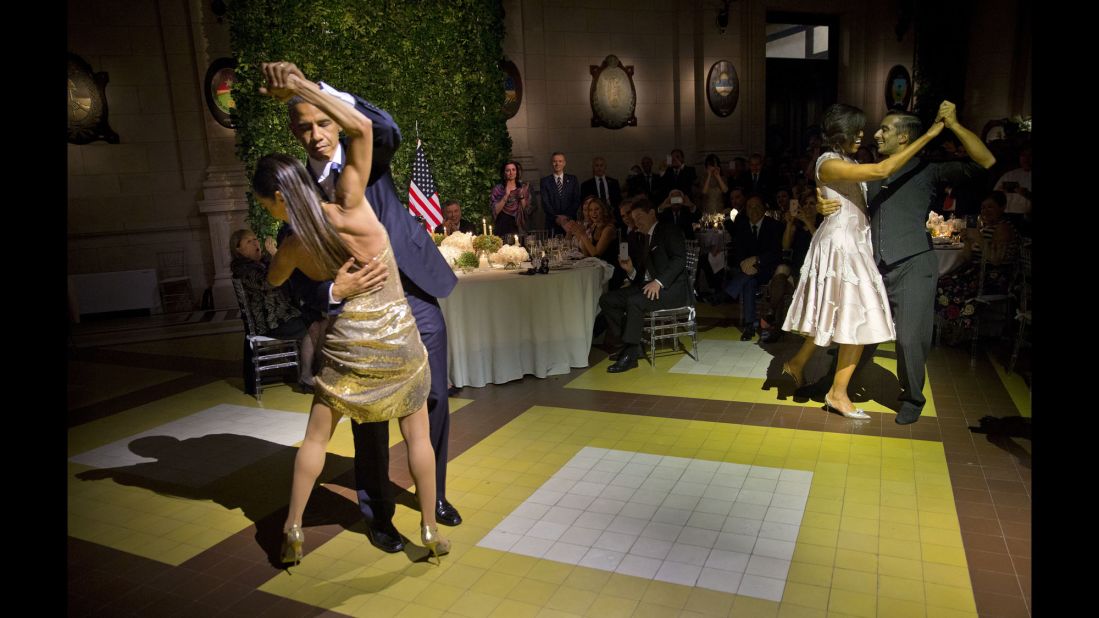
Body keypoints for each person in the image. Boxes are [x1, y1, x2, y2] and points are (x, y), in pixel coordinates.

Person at [257, 62, 451, 564]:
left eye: (323, 121)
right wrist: (332, 290)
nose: (317, 134)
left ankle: (435, 499)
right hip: (357, 316)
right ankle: (380, 515)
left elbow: (381, 126)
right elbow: (297, 285)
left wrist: (308, 87)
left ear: (332, 117)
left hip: (414, 295)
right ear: (294, 133)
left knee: (432, 401)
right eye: (304, 126)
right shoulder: (302, 193)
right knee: (370, 424)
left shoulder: (363, 161)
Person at [804, 101, 995, 424]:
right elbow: (839, 193)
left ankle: (912, 398)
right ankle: (838, 387)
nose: (876, 135)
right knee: (858, 330)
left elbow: (986, 160)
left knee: (909, 338)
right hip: (873, 265)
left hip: (913, 264)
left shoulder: (929, 169)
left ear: (904, 138)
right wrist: (822, 205)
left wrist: (955, 125)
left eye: (885, 130)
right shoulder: (871, 172)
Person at [781, 103, 945, 419]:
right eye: (856, 129)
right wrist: (931, 134)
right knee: (856, 319)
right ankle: (836, 393)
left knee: (837, 314)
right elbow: (881, 171)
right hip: (843, 246)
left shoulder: (844, 161)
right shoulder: (828, 162)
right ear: (840, 131)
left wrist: (820, 199)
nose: (862, 135)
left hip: (852, 242)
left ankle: (800, 366)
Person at [229, 228, 327, 389]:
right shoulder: (244, 270)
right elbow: (270, 281)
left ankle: (313, 371)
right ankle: (307, 375)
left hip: (282, 316)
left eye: (255, 239)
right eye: (249, 241)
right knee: (314, 327)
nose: (256, 243)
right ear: (238, 249)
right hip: (271, 322)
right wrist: (277, 255)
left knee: (318, 320)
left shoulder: (260, 264)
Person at [600, 199, 688, 372]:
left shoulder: (668, 230)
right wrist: (631, 270)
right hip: (648, 286)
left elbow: (680, 259)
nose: (636, 221)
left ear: (652, 213)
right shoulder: (642, 237)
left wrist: (659, 282)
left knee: (635, 302)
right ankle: (632, 344)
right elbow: (642, 276)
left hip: (671, 290)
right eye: (633, 218)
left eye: (639, 216)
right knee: (608, 300)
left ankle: (631, 354)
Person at [934, 191, 1019, 345]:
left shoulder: (1003, 228)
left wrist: (978, 238)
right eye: (983, 207)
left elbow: (996, 260)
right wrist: (967, 241)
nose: (985, 211)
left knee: (949, 286)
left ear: (1002, 208)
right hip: (978, 272)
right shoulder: (984, 227)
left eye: (990, 207)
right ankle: (952, 330)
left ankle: (959, 331)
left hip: (995, 277)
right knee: (941, 281)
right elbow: (967, 258)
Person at [563, 197, 625, 288]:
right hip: (597, 269)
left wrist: (583, 235)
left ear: (603, 210)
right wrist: (579, 235)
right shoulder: (594, 226)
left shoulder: (609, 229)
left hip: (609, 272)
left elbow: (596, 254)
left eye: (597, 209)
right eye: (591, 210)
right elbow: (587, 254)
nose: (593, 213)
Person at [539, 152, 581, 237]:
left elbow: (576, 200)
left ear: (564, 163)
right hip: (552, 223)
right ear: (552, 163)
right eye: (555, 161)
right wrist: (557, 218)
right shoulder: (545, 181)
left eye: (560, 161)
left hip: (570, 223)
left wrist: (565, 217)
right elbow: (545, 203)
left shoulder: (573, 179)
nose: (557, 163)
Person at [490, 160, 533, 236]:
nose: (511, 173)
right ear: (504, 173)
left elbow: (527, 210)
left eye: (513, 170)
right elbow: (495, 211)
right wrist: (506, 195)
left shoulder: (523, 188)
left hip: (519, 226)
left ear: (516, 172)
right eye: (508, 170)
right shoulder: (498, 189)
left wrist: (522, 197)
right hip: (502, 225)